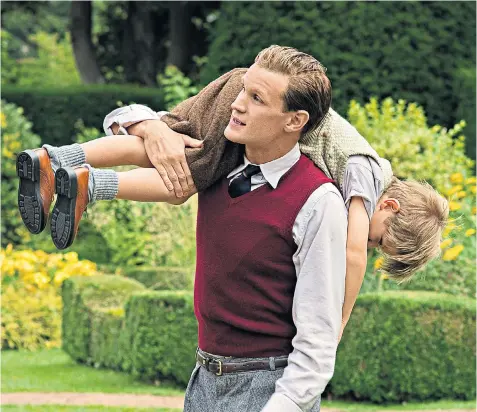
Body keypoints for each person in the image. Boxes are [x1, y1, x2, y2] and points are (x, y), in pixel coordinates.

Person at [17, 45, 448, 347]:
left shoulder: (357, 169)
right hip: (260, 98)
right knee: (186, 176)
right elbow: (353, 254)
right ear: (389, 207)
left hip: (241, 84)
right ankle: (87, 183)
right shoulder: (366, 172)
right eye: (380, 239)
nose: (369, 243)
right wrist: (337, 324)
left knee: (168, 143)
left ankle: (58, 162)